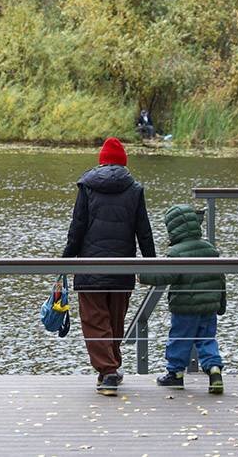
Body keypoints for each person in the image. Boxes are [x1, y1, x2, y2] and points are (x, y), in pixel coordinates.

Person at [61, 136, 155, 396]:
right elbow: (144, 231)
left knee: (94, 321)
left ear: (101, 163)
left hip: (90, 268)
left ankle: (108, 372)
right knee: (114, 321)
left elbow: (76, 228)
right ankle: (111, 368)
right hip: (122, 268)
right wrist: (150, 264)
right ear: (123, 163)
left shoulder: (87, 187)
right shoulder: (134, 189)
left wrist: (65, 260)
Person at [139, 204, 226, 394]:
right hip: (209, 306)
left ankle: (175, 374)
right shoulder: (210, 249)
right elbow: (221, 279)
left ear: (173, 228)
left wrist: (140, 275)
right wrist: (221, 304)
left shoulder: (176, 253)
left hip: (184, 308)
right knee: (207, 338)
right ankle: (214, 370)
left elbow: (164, 276)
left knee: (180, 338)